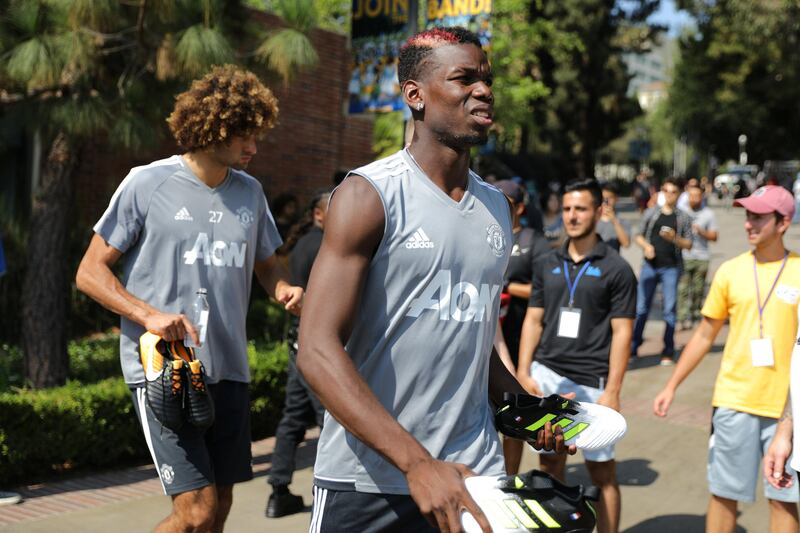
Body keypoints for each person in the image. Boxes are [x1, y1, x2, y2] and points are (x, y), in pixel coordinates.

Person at [295, 27, 573, 532]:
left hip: (473, 474)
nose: (483, 90)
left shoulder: (495, 208)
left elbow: (467, 336)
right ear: (415, 95)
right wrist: (416, 463)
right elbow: (315, 349)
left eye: (486, 79)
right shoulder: (369, 195)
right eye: (464, 78)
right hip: (369, 482)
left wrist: (525, 411)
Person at [75, 66, 303, 532]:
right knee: (194, 513)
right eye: (245, 136)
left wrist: (281, 286)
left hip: (230, 370)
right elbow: (89, 271)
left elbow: (268, 263)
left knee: (216, 513)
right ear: (213, 126)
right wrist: (148, 315)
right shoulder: (146, 183)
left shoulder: (251, 194)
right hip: (166, 370)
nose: (254, 148)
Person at [654, 185, 800, 533]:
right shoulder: (730, 271)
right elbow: (705, 334)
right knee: (723, 494)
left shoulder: (797, 270)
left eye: (759, 217)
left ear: (783, 223)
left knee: (783, 497)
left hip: (786, 410)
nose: (749, 223)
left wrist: (791, 418)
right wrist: (671, 384)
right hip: (734, 402)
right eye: (748, 215)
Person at [516, 178, 636, 533]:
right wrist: (524, 370)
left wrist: (613, 390)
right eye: (567, 208)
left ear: (599, 212)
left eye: (581, 208)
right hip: (548, 375)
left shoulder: (617, 268)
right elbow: (534, 319)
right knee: (549, 464)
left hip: (591, 383)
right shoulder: (548, 260)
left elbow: (623, 333)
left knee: (602, 474)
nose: (572, 216)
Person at [266, 190, 331, 518]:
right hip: (317, 342)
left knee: (293, 416)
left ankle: (278, 491)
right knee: (328, 417)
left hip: (298, 341)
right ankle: (326, 491)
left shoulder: (303, 244)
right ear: (319, 215)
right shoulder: (327, 247)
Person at [493, 179, 550, 475]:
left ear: (520, 207)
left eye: (507, 202)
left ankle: (510, 480)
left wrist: (508, 287)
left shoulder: (533, 241)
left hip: (519, 341)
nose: (498, 206)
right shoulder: (482, 233)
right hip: (489, 339)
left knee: (513, 416)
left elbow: (545, 291)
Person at [631, 177, 693, 365]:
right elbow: (638, 236)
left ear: (679, 194)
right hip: (650, 266)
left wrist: (674, 238)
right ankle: (634, 346)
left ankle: (667, 349)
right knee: (641, 308)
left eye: (673, 191)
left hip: (671, 268)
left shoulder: (683, 217)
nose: (669, 195)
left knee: (669, 310)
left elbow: (689, 244)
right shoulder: (652, 213)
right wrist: (647, 247)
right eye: (666, 191)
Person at [677, 182, 718, 330]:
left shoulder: (708, 214)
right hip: (684, 256)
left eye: (697, 195)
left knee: (698, 289)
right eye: (691, 195)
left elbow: (714, 236)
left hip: (702, 257)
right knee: (682, 289)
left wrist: (701, 232)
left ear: (702, 196)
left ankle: (694, 315)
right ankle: (681, 318)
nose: (693, 198)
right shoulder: (680, 212)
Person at [596, 182, 631, 252]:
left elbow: (626, 244)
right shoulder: (592, 218)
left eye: (610, 198)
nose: (606, 202)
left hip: (612, 261)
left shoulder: (622, 221)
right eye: (603, 198)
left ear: (616, 199)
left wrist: (614, 221)